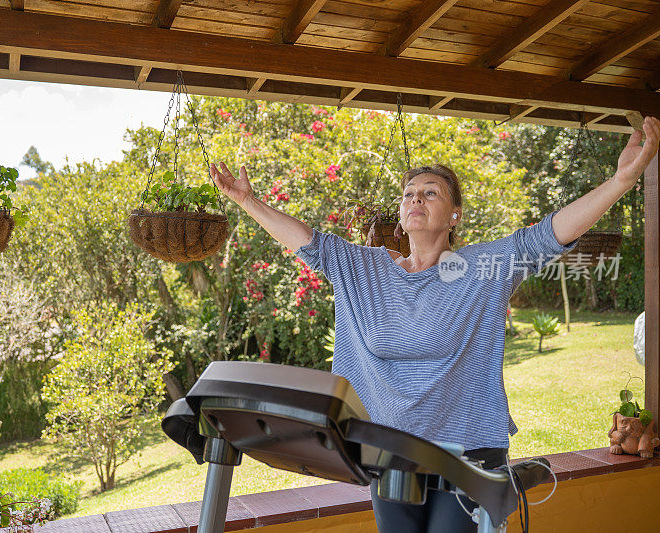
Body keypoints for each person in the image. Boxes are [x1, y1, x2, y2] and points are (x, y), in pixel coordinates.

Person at [209, 116, 660, 532]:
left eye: (430, 193)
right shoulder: (360, 269)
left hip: (468, 456)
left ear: (453, 215)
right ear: (401, 216)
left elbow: (548, 234)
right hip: (386, 453)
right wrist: (248, 201)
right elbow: (304, 239)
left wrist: (621, 180)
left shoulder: (485, 267)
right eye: (408, 194)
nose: (415, 200)